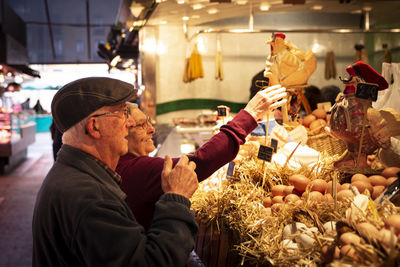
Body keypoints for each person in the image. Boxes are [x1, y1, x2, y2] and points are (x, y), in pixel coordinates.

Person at [32, 77, 200, 267]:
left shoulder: (74, 173)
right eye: (121, 113)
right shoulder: (90, 197)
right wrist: (176, 198)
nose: (129, 124)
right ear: (94, 126)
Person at [117, 85, 287, 231]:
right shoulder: (135, 169)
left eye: (148, 122)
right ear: (122, 131)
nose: (151, 129)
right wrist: (249, 114)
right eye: (141, 125)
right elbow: (201, 161)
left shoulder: (125, 165)